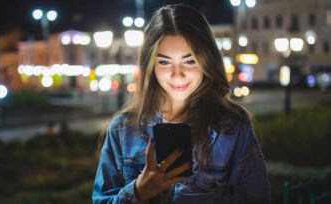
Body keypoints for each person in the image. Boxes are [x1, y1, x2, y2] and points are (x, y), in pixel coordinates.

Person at [93, 4, 270, 204]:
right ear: (150, 66)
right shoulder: (124, 128)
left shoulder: (231, 126)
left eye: (190, 61)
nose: (178, 74)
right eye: (165, 62)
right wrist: (138, 191)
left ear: (207, 61)